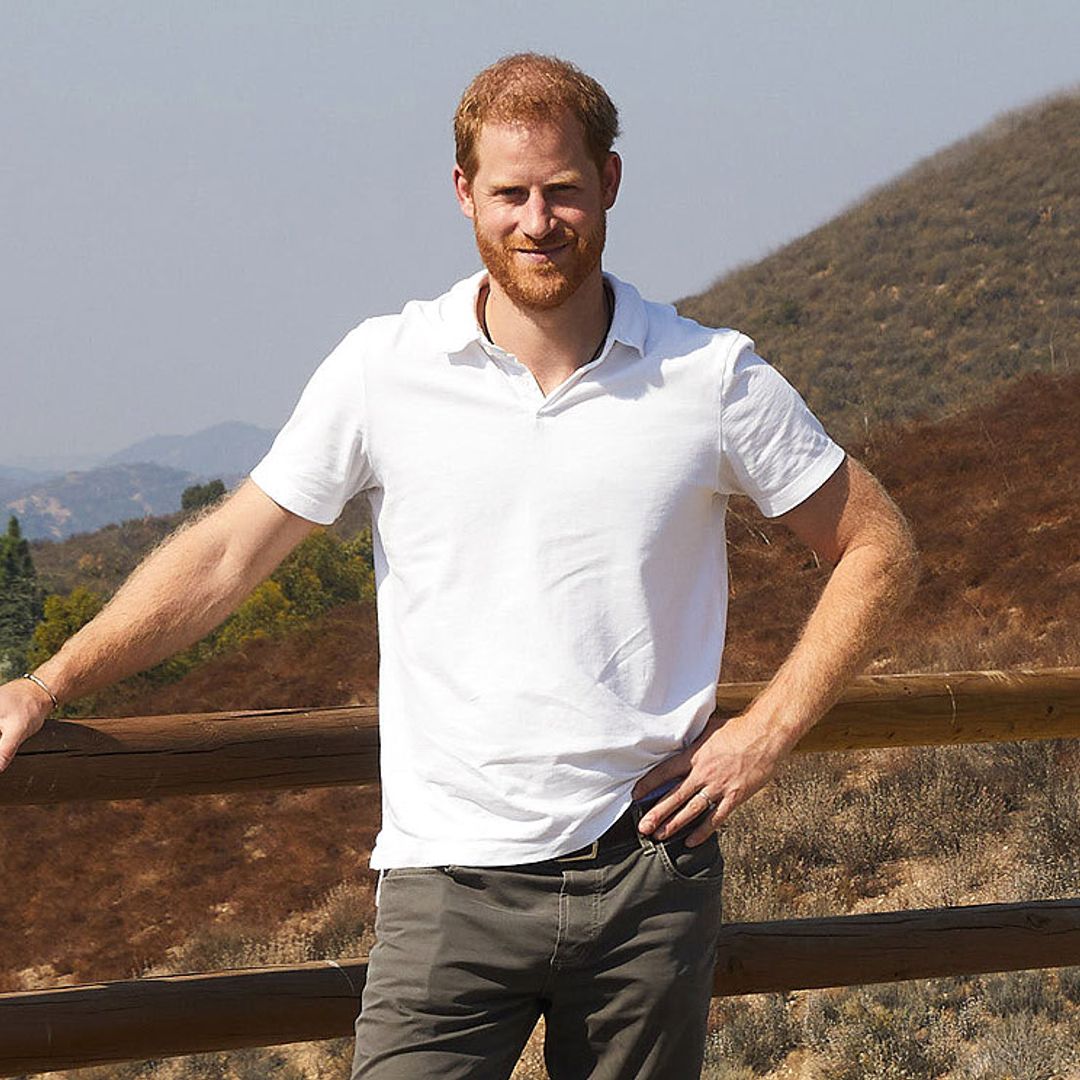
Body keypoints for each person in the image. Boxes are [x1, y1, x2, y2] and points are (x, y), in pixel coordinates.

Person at [0, 53, 919, 1079]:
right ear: (463, 194)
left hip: (649, 878)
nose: (538, 221)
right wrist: (48, 683)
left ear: (610, 181)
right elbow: (223, 556)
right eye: (511, 194)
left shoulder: (708, 376)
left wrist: (766, 735)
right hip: (447, 887)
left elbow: (878, 546)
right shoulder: (384, 368)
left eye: (564, 190)